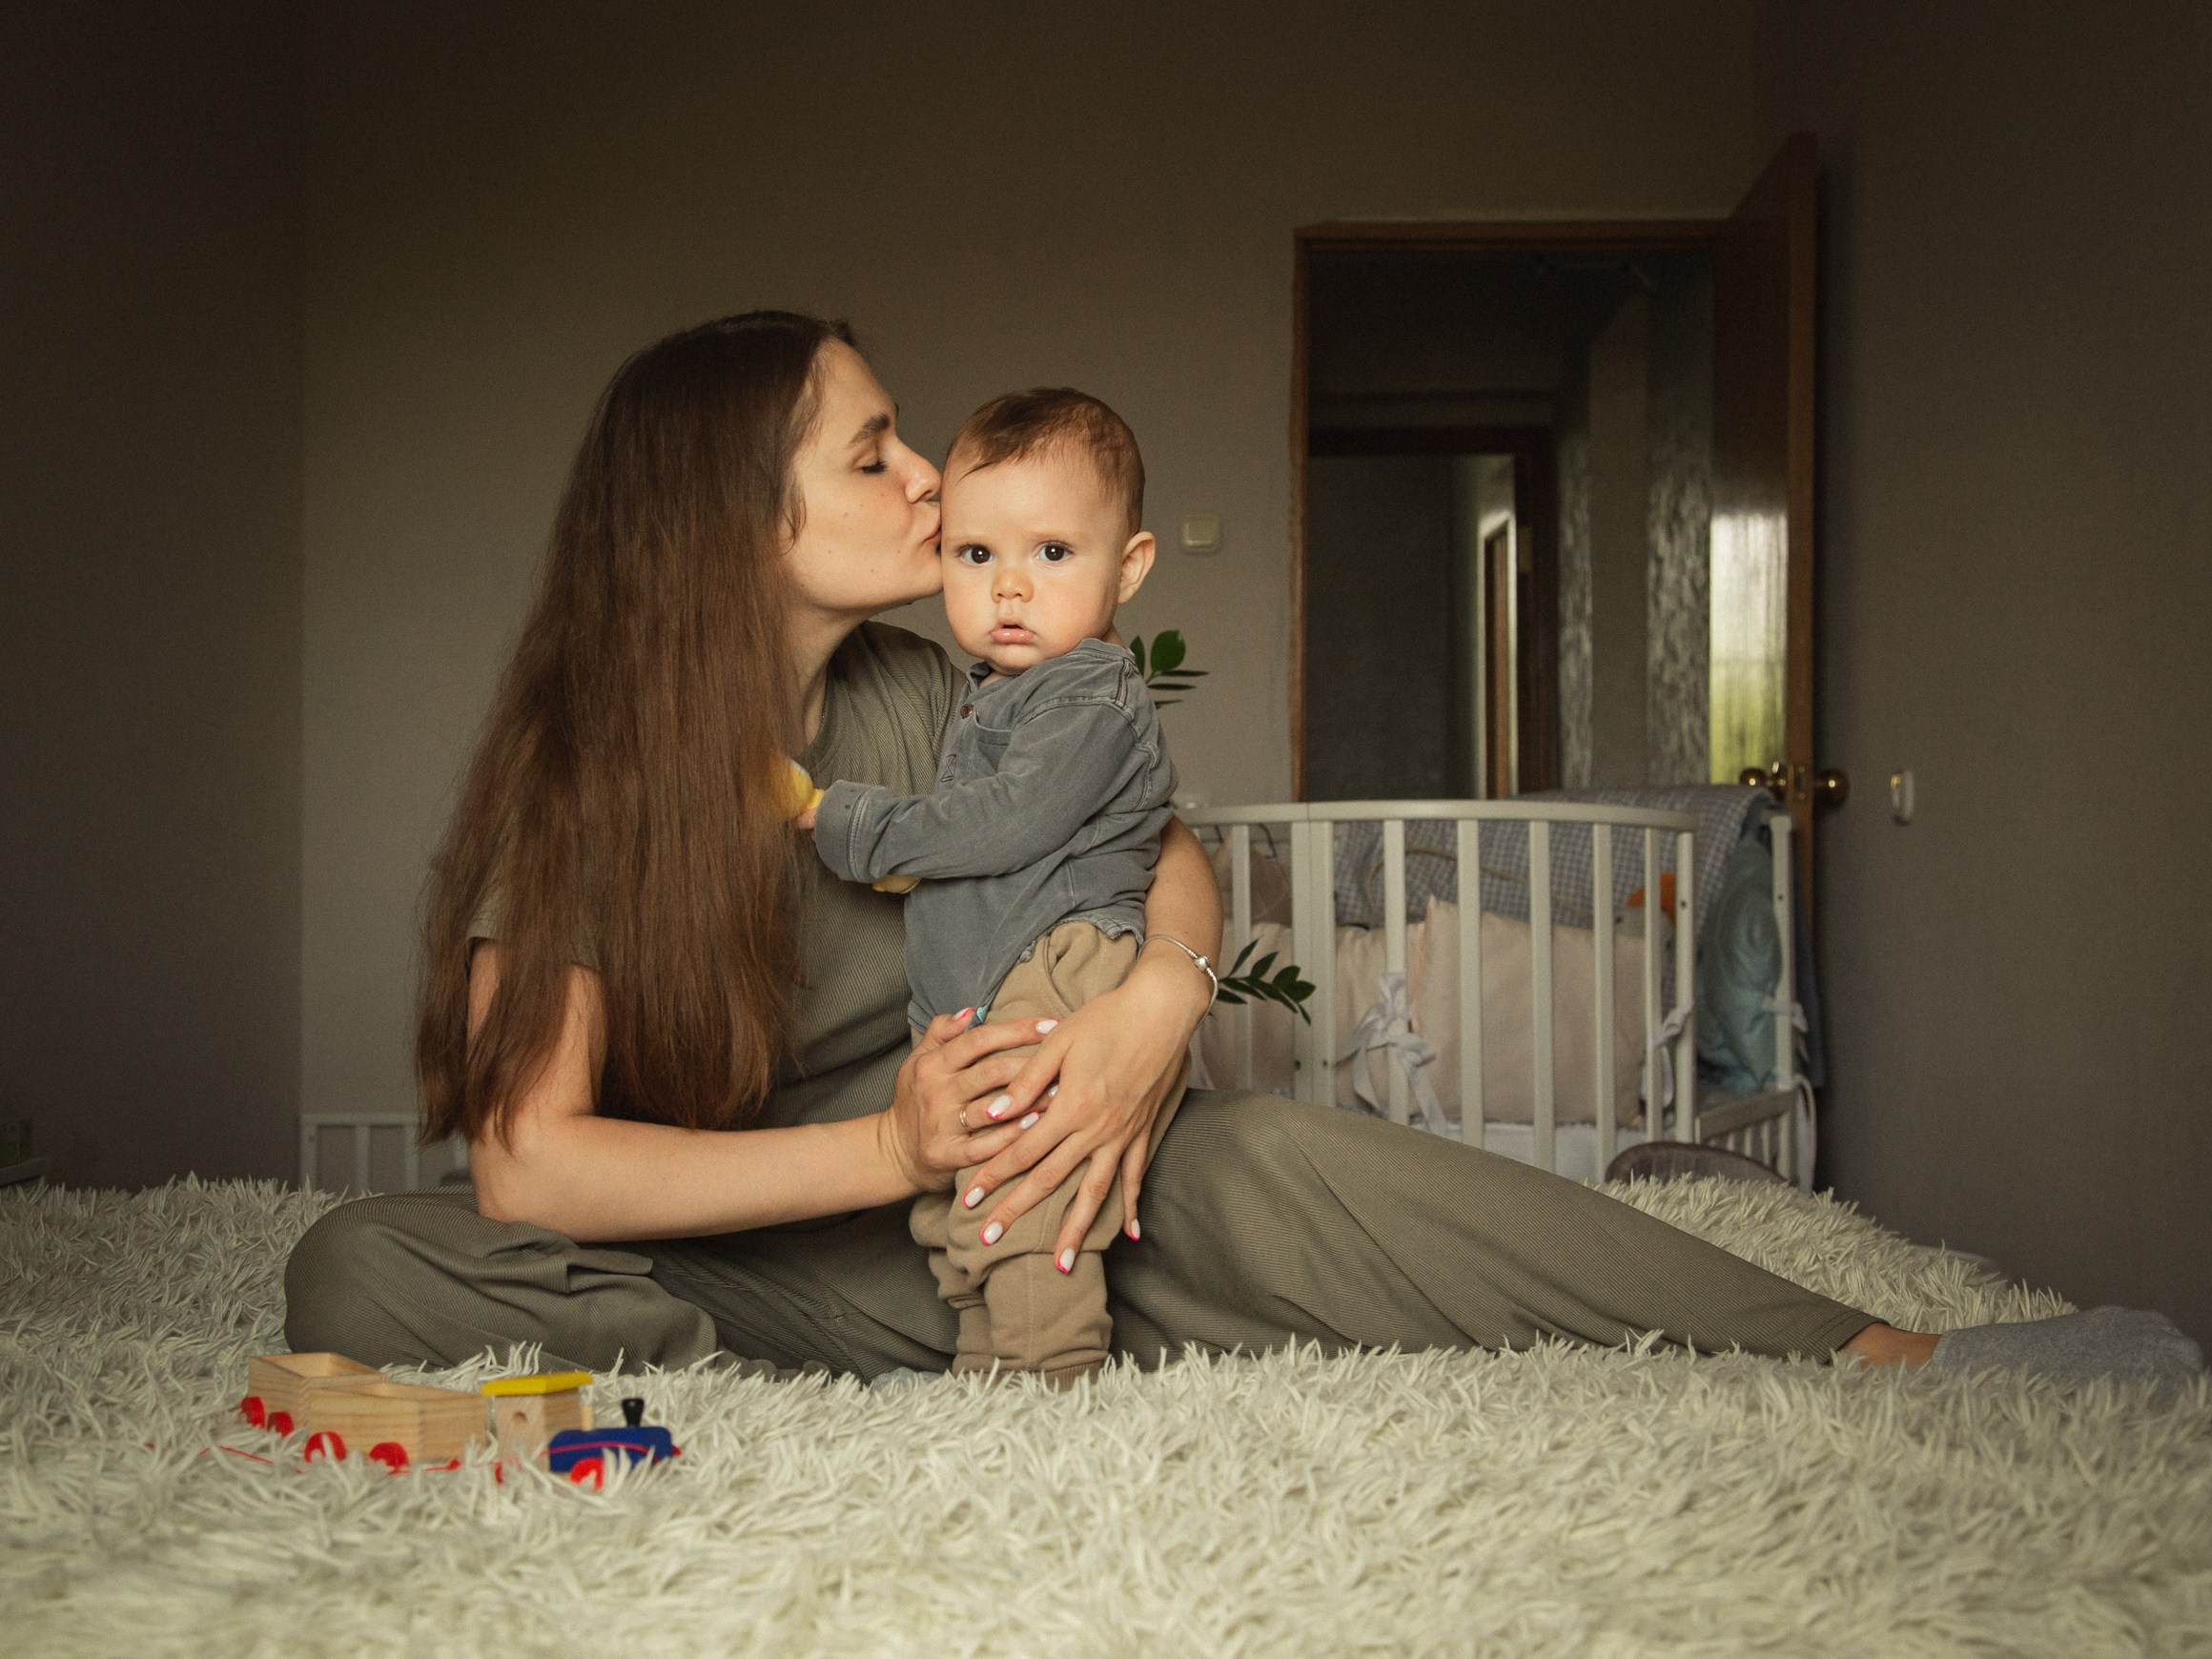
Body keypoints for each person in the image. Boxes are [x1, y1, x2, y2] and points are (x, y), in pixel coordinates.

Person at [284, 311, 2201, 1396]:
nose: (928, 480)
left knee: (1274, 1165)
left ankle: (1880, 1350)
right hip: (802, 1238)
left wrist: (1150, 1013)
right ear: (732, 516)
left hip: (1041, 1182)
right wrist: (891, 1155)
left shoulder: (935, 693)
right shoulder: (585, 776)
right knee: (364, 1267)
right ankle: (865, 1345)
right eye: (872, 453)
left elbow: (1161, 853)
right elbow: (530, 1160)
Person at [800, 387, 1186, 1385]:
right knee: (962, 1203)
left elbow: (1006, 821)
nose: (1010, 587)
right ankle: (988, 1373)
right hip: (990, 979)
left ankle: (1046, 1376)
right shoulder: (989, 693)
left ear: (1128, 568)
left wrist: (849, 824)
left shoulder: (1090, 695)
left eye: (1052, 553)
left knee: (1024, 1183)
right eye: (976, 555)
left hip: (1057, 960)